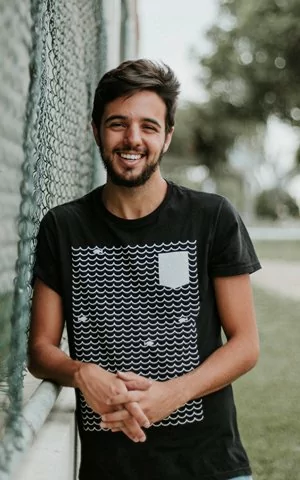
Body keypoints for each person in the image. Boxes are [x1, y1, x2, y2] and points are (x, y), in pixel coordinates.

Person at [28, 59, 260, 480]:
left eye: (149, 126)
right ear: (95, 129)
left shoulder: (212, 217)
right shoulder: (63, 226)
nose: (132, 139)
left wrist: (171, 395)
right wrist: (84, 374)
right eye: (117, 124)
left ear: (167, 137)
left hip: (210, 466)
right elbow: (41, 350)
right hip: (110, 469)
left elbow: (245, 345)